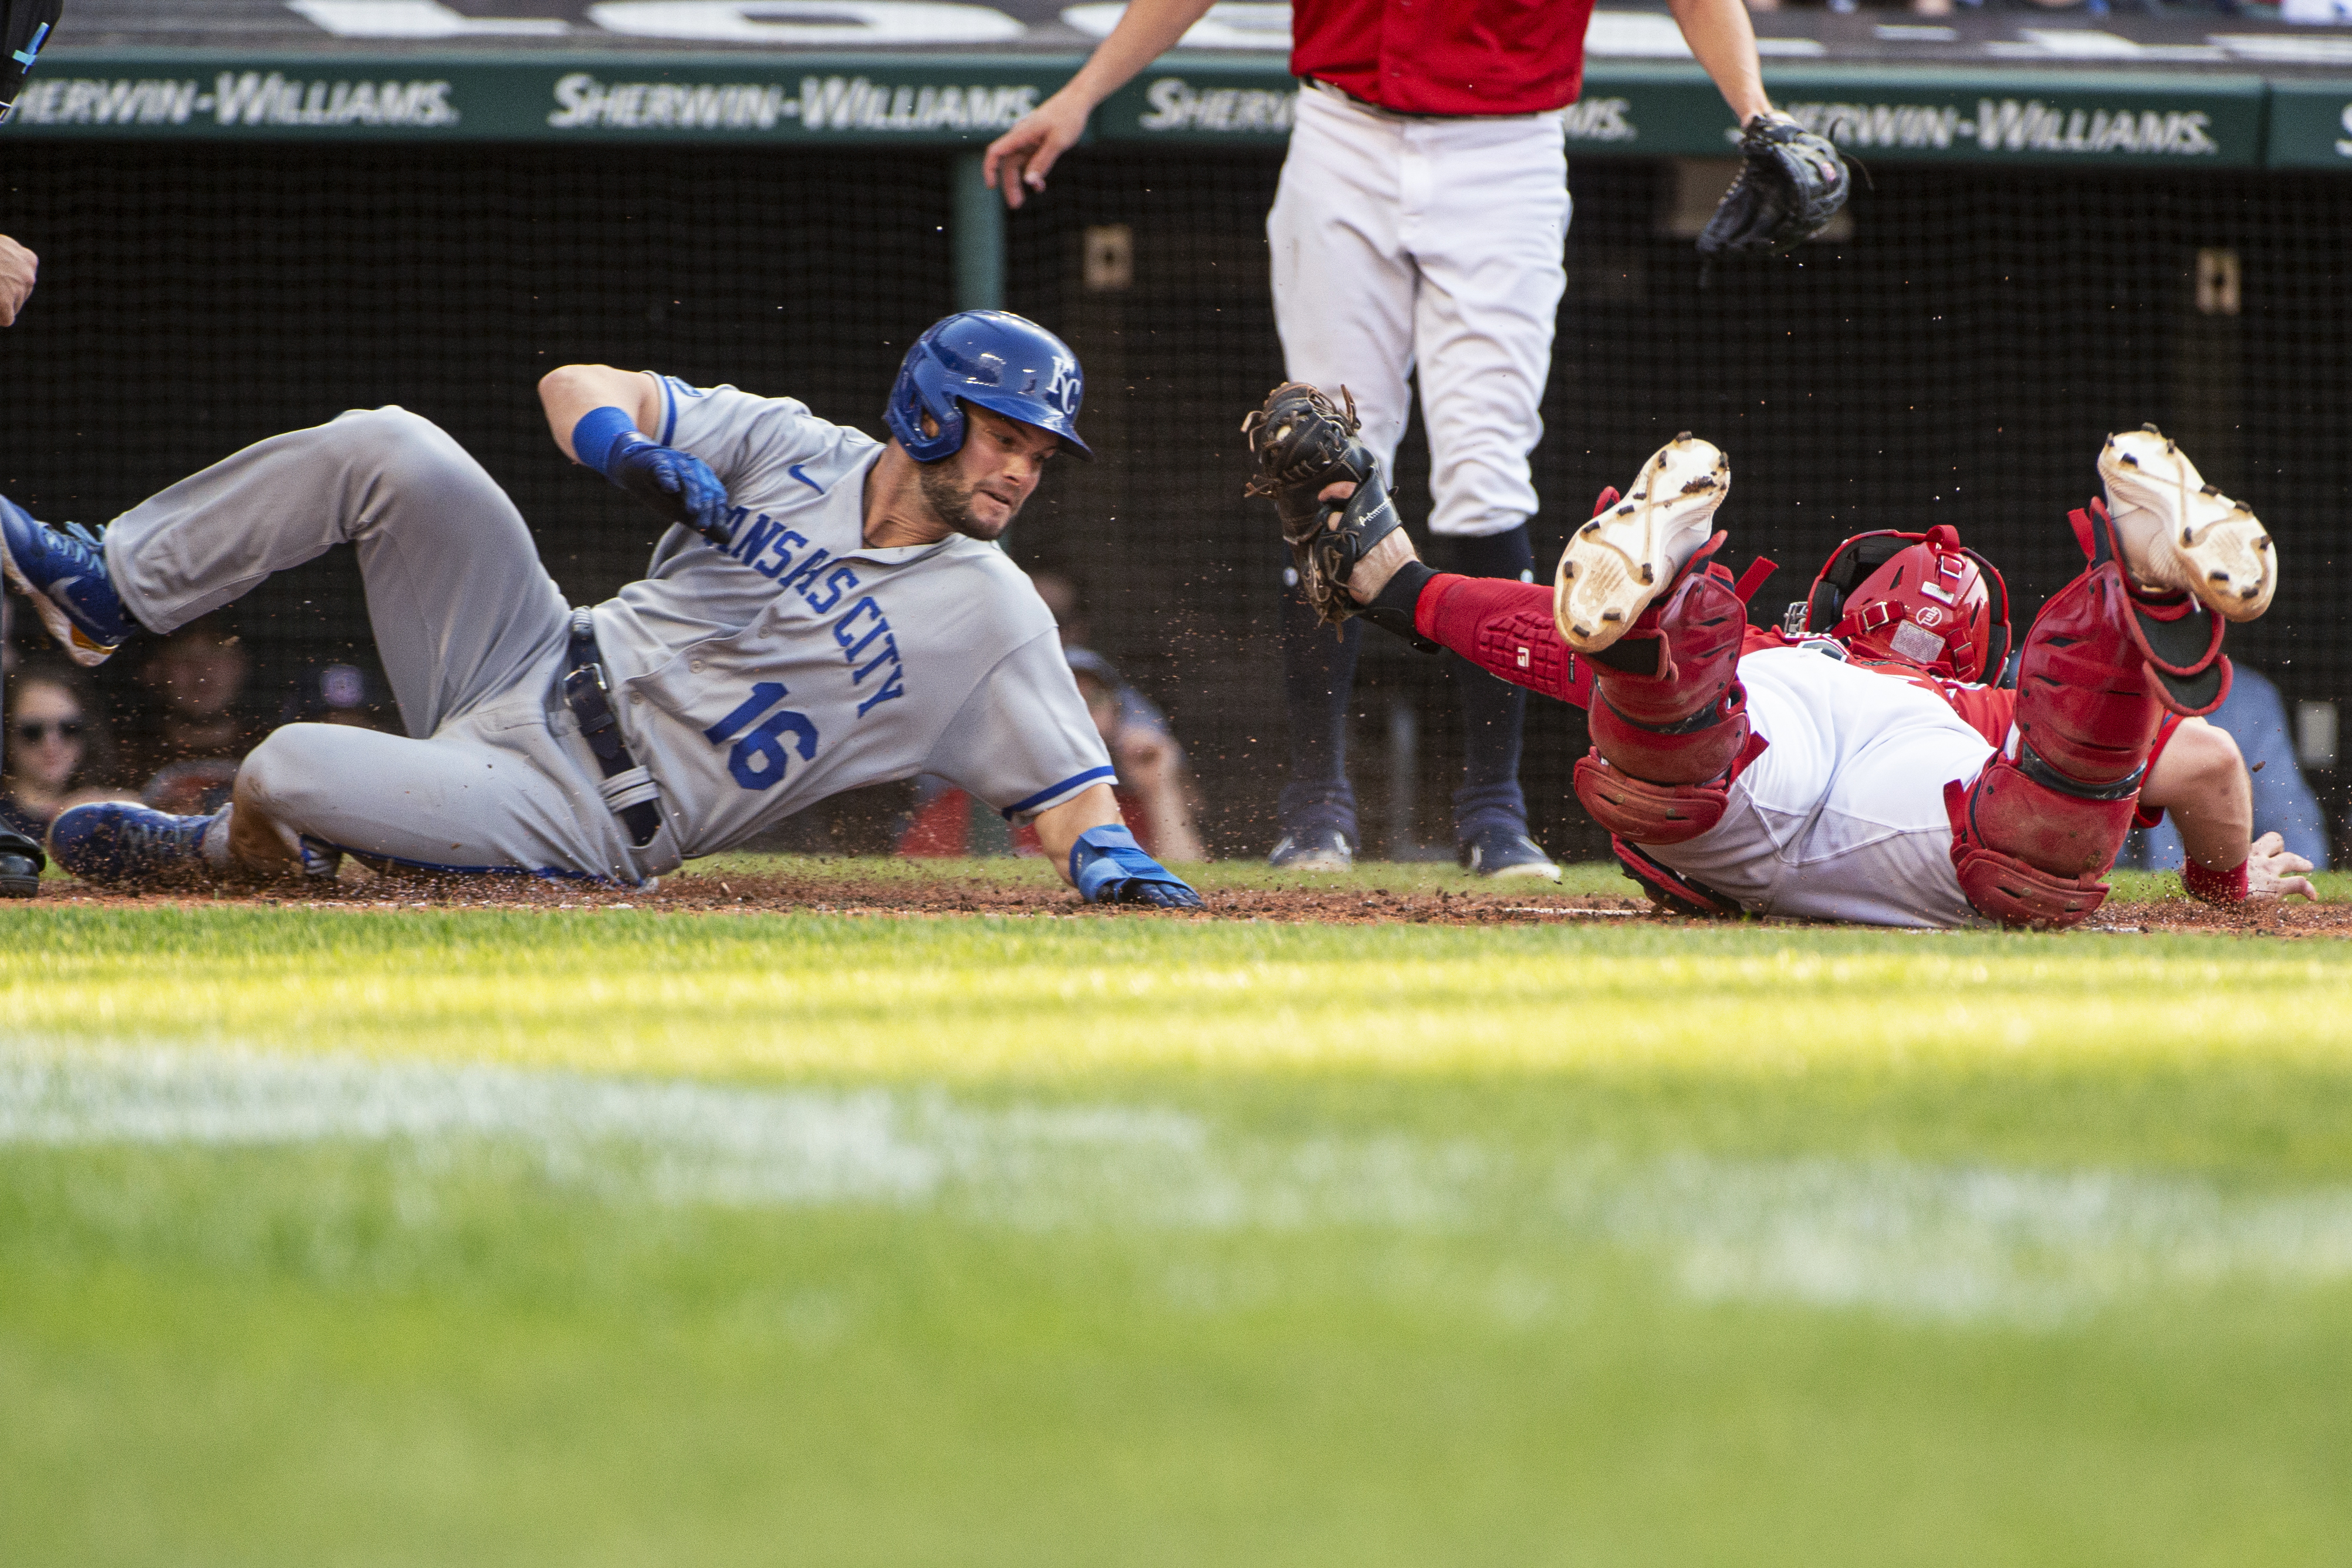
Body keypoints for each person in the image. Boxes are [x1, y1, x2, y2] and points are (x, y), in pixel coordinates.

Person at [984, 0, 1808, 881]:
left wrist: (1758, 108)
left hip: (1507, 147)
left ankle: (1496, 812)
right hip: (1344, 134)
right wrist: (1082, 94)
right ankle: (1315, 810)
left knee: (1486, 477)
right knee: (1319, 461)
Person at [1, 310, 1201, 909]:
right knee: (391, 449)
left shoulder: (992, 613)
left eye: (1041, 457)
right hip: (529, 649)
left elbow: (1075, 802)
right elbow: (578, 385)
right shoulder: (794, 445)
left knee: (289, 763)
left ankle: (227, 855)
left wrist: (1112, 862)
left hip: (584, 811)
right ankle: (108, 586)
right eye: (1006, 439)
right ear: (932, 413)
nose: (1021, 472)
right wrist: (623, 443)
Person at [1272, 404, 2300, 927]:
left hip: (1767, 727)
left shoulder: (1782, 648)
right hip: (1931, 791)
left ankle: (1665, 609)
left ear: (1840, 603)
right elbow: (2209, 762)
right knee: (2043, 820)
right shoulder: (1979, 700)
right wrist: (2219, 887)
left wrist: (1398, 587)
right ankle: (2131, 602)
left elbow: (1545, 637)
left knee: (1668, 741)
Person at [2118, 662, 2329, 875]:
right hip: (2111, 871)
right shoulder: (2110, 680)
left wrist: (2303, 871)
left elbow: (2287, 816)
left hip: (2225, 876)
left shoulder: (2249, 696)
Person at [0, 657, 123, 842]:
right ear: (6, 737)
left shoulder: (107, 811)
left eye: (69, 729)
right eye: (32, 731)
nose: (52, 743)